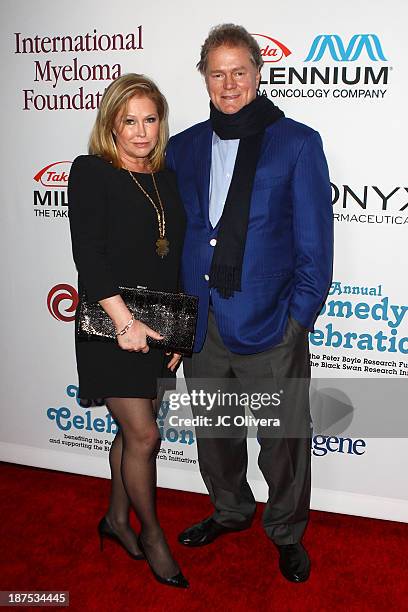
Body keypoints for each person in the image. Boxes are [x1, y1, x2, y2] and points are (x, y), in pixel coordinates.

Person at [166, 24, 333, 583]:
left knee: (282, 443)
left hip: (271, 325)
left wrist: (297, 323)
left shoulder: (298, 143)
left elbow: (315, 245)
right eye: (218, 72)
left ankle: (286, 532)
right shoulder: (183, 146)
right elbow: (178, 237)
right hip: (203, 324)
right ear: (205, 78)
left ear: (259, 74)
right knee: (215, 437)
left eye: (240, 71)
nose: (229, 82)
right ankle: (231, 510)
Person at [68, 74, 188, 589]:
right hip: (112, 325)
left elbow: (173, 259)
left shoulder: (166, 174)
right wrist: (124, 322)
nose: (141, 132)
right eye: (129, 121)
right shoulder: (91, 171)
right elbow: (88, 256)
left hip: (158, 327)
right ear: (111, 124)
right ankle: (152, 532)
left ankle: (116, 520)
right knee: (145, 434)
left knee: (131, 435)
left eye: (150, 119)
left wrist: (178, 332)